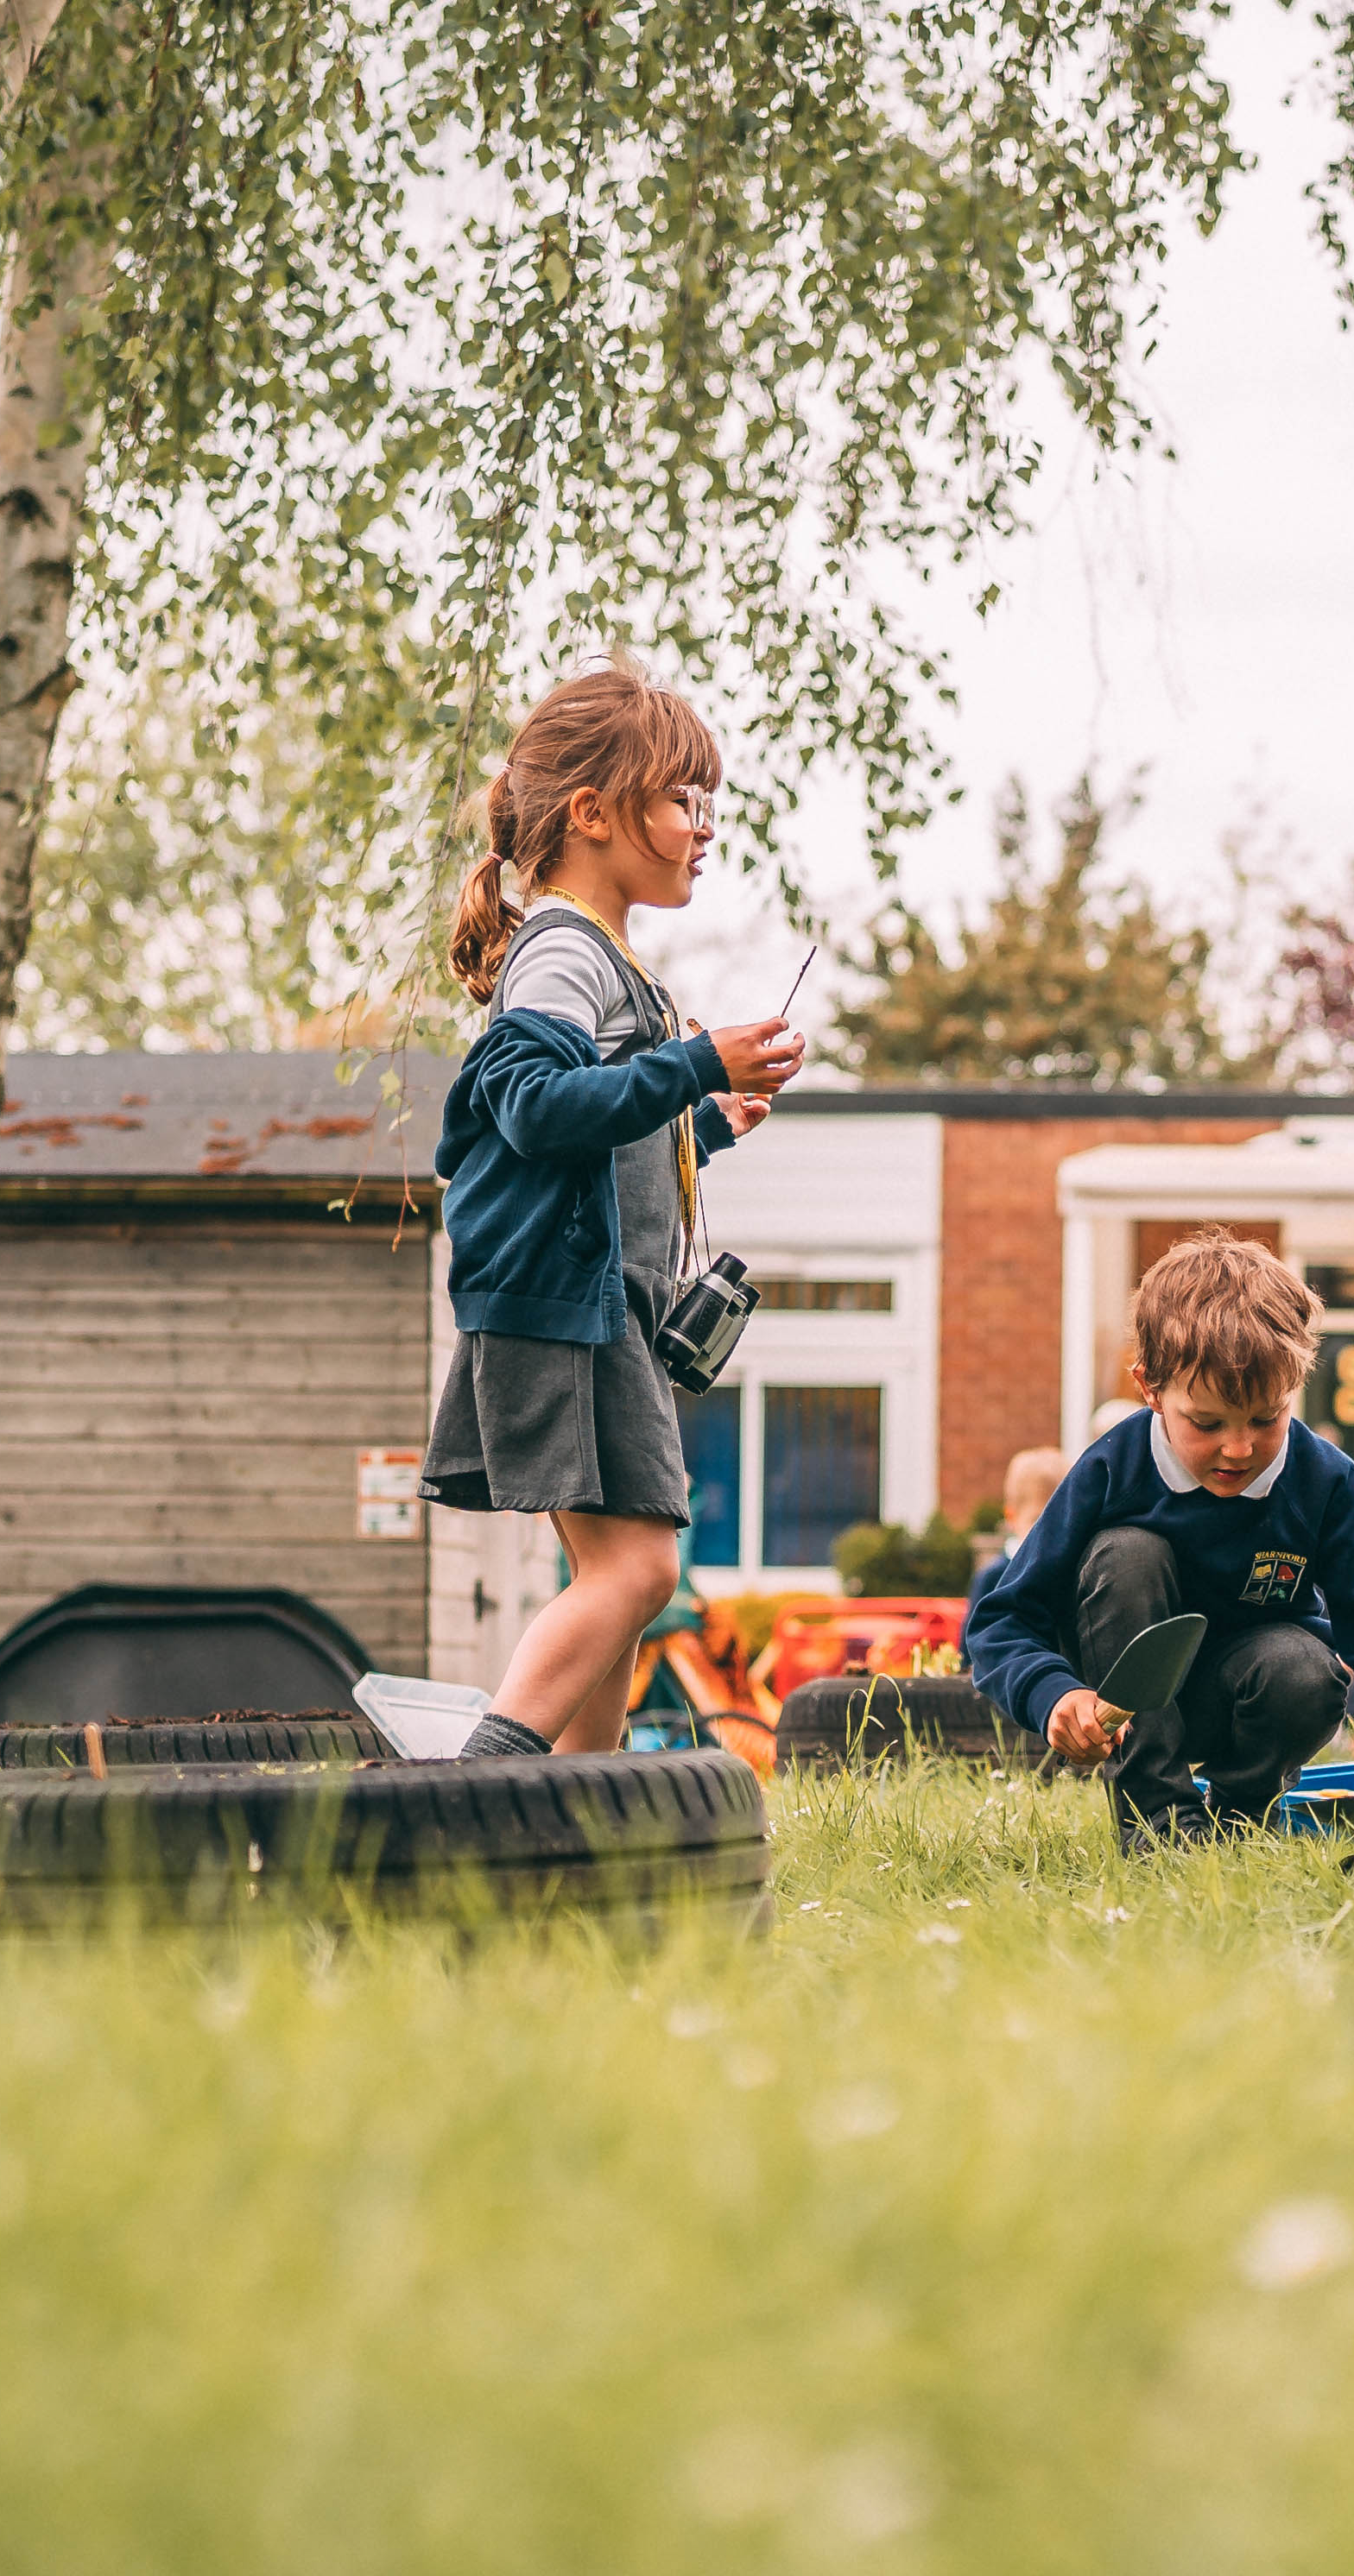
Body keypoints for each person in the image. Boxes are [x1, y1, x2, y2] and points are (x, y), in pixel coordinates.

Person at [425, 660, 807, 1756]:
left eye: (708, 804)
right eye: (682, 800)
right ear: (592, 812)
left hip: (604, 1310)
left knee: (620, 1583)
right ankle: (487, 1785)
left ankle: (584, 1816)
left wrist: (707, 1119)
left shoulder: (600, 959)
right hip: (563, 1308)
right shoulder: (561, 950)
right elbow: (534, 1107)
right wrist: (691, 1062)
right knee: (637, 1571)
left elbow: (602, 1137)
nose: (703, 826)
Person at [964, 1236, 1354, 1846]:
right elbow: (1002, 1621)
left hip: (1246, 1693)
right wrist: (1055, 1696)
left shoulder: (1326, 1482)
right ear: (1150, 1389)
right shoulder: (1113, 1468)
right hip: (1124, 1701)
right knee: (1128, 1553)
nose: (1238, 1448)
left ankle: (1237, 1818)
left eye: (1267, 1418)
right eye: (1207, 1423)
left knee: (1305, 1671)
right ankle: (1157, 1824)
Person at [971, 1443, 1070, 1594]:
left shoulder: (1076, 1571)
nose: (1050, 1532)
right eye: (1038, 1523)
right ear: (1011, 1518)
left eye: (1061, 1520)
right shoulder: (994, 1578)